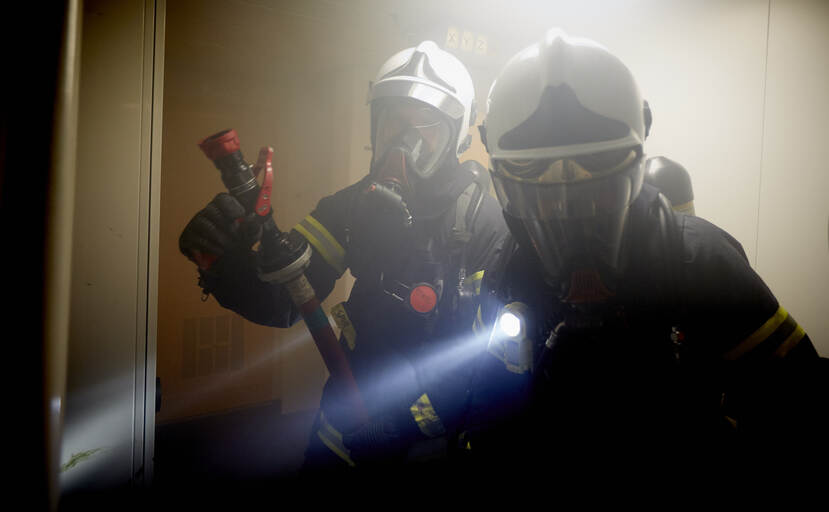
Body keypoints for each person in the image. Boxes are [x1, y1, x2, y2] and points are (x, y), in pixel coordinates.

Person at [463, 28, 828, 486]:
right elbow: (488, 407)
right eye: (542, 198)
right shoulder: (510, 269)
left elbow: (802, 411)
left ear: (634, 173)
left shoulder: (701, 264)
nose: (568, 219)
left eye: (596, 194)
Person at [178, 40, 509, 483]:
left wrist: (407, 426)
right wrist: (222, 264)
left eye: (426, 126)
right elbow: (285, 301)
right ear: (375, 126)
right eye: (394, 121)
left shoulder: (485, 222)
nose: (404, 141)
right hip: (347, 424)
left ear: (458, 138)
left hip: (441, 436)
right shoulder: (351, 208)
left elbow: (493, 355)